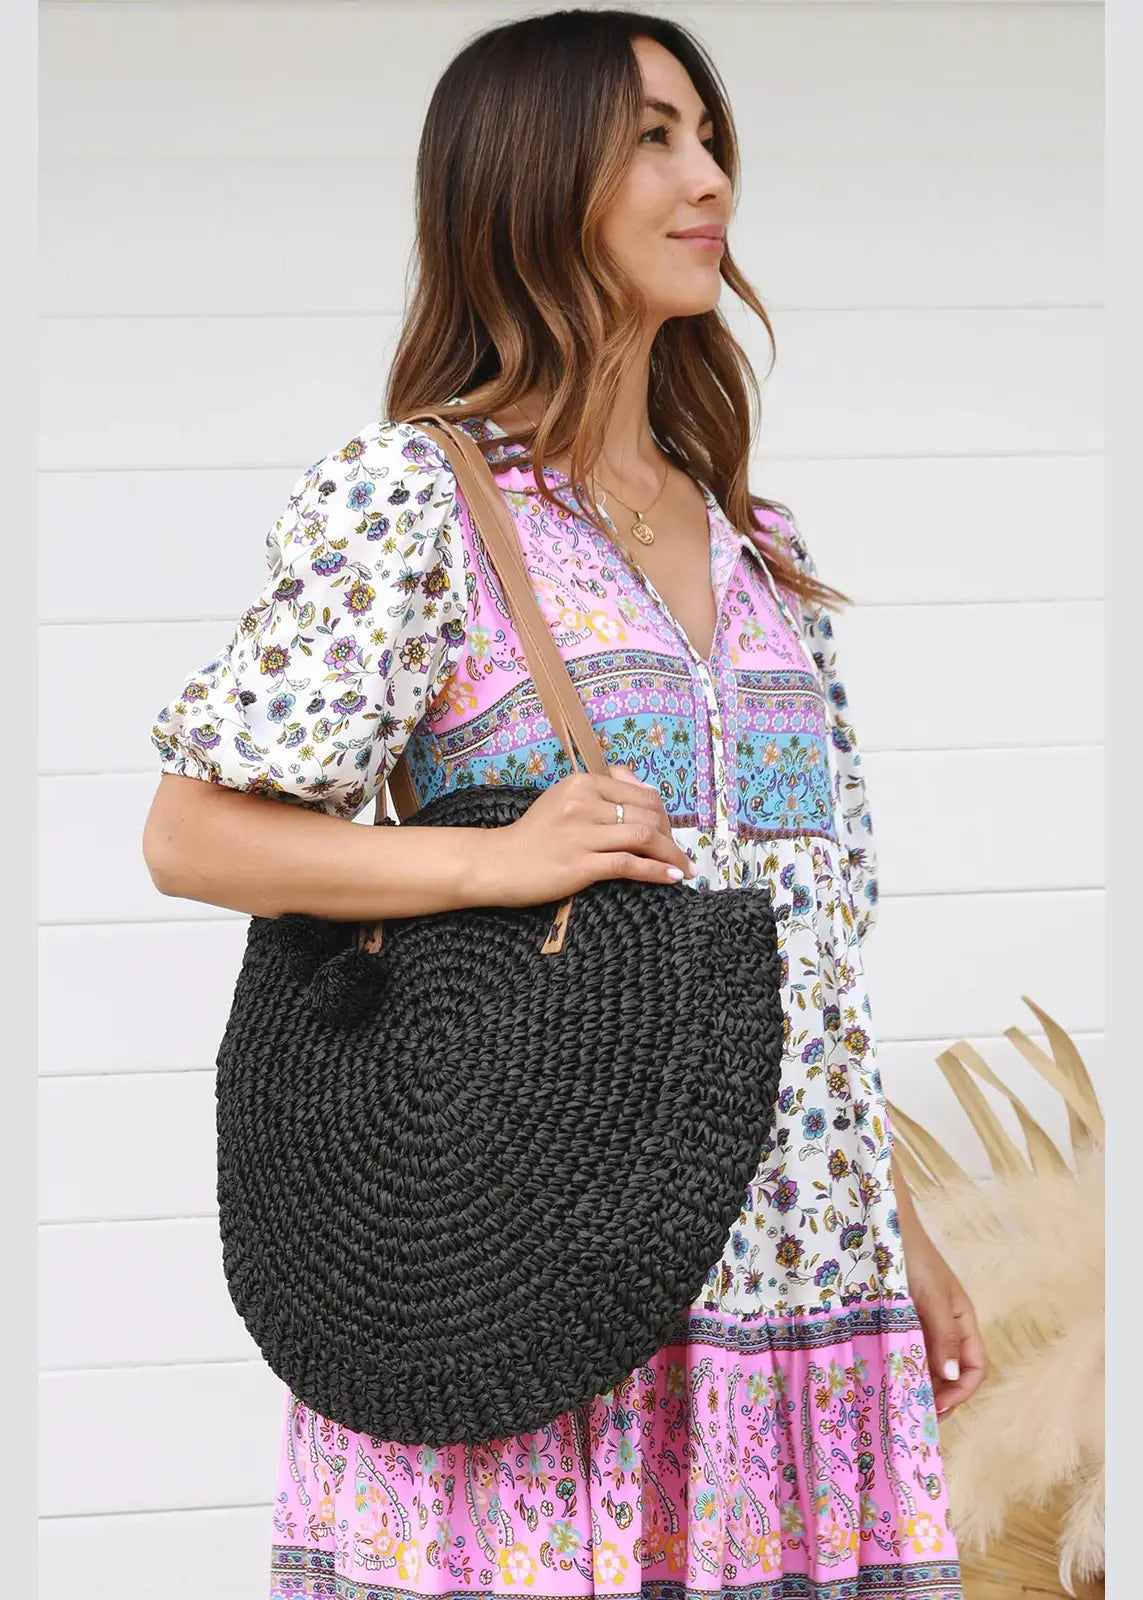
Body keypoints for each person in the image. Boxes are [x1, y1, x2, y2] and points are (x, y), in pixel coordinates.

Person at [142, 9, 986, 1597]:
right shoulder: (424, 497)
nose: (708, 176)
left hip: (803, 1291)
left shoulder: (764, 548)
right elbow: (191, 832)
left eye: (709, 134)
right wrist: (488, 863)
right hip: (548, 1259)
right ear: (534, 185)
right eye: (653, 139)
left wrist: (904, 1233)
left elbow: (810, 955)